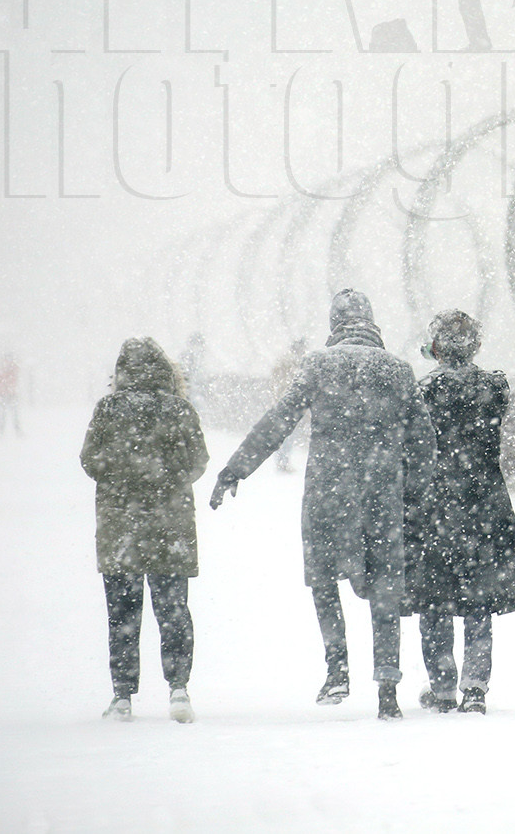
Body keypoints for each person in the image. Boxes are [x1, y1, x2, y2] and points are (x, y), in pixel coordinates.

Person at [210, 290, 437, 720]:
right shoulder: (399, 371)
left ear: (335, 324)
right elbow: (425, 443)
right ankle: (387, 687)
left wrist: (235, 469)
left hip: (327, 493)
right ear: (372, 322)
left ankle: (337, 668)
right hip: (382, 496)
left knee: (322, 579)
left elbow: (279, 421)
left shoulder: (318, 364)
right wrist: (414, 492)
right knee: (386, 591)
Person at [410, 310, 515, 714]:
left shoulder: (423, 391)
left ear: (436, 347)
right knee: (479, 600)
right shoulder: (493, 388)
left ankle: (443, 685)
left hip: (436, 505)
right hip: (485, 503)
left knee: (435, 600)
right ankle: (475, 687)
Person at [80, 338, 209, 723]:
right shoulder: (179, 410)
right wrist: (167, 484)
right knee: (173, 610)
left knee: (122, 612)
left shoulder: (108, 409)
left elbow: (90, 461)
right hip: (170, 526)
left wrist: (123, 482)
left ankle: (122, 696)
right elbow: (198, 460)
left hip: (121, 529)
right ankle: (179, 689)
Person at [270, 338, 309, 472]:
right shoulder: (294, 363)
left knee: (285, 435)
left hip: (284, 404)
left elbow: (276, 382)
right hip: (289, 405)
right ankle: (283, 463)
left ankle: (282, 462)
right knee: (288, 436)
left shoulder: (285, 362)